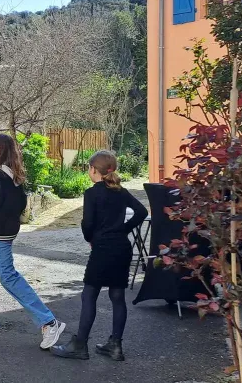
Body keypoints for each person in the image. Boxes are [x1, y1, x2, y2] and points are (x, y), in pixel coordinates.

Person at [0, 133, 66, 350]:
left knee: (8, 277)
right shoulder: (13, 174)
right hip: (0, 233)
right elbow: (13, 204)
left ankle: (49, 322)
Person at [51, 150, 147, 361]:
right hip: (122, 248)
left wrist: (91, 238)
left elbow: (87, 224)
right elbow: (142, 212)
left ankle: (80, 345)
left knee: (89, 295)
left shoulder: (92, 193)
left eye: (89, 167)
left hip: (102, 249)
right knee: (117, 296)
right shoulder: (121, 191)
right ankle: (115, 346)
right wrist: (123, 229)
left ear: (94, 170)